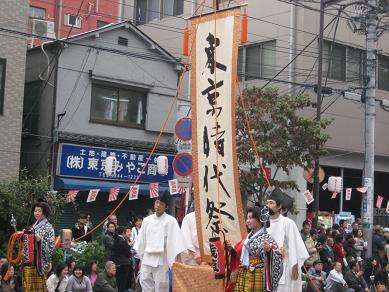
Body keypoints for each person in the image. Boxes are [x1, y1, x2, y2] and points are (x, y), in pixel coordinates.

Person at [134, 190, 187, 292]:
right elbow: (141, 241)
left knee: (161, 287)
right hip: (147, 258)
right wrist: (141, 258)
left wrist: (176, 259)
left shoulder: (171, 221)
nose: (158, 205)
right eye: (157, 202)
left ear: (166, 207)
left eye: (161, 203)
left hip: (161, 259)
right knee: (145, 282)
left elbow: (176, 241)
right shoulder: (147, 220)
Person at [227, 205, 283, 292]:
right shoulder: (247, 238)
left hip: (258, 274)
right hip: (244, 272)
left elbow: (277, 257)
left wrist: (269, 251)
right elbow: (239, 256)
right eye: (247, 218)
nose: (247, 221)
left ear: (259, 220)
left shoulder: (268, 238)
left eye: (250, 218)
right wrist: (231, 249)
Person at [266, 188, 309, 292]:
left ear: (279, 206)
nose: (268, 206)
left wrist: (295, 266)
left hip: (285, 266)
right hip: (266, 266)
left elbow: (295, 247)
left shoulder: (288, 223)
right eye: (267, 203)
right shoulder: (264, 223)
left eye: (271, 203)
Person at [22, 200, 55, 291]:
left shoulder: (48, 227)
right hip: (29, 261)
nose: (36, 213)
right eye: (35, 211)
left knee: (39, 288)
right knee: (29, 287)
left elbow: (51, 246)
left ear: (44, 212)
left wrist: (40, 240)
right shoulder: (33, 226)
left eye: (39, 211)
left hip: (40, 263)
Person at [113, 226, 132, 292]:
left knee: (119, 280)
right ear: (123, 233)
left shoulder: (116, 239)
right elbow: (128, 253)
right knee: (122, 282)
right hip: (124, 264)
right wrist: (129, 246)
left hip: (117, 263)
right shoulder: (122, 241)